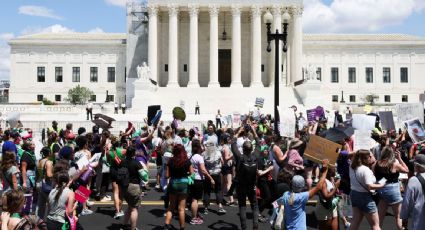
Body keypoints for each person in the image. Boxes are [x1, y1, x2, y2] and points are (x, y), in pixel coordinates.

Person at [277, 159, 329, 230]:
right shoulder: (302, 197)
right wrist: (325, 170)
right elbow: (318, 187)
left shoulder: (286, 195)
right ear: (301, 187)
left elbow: (279, 202)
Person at [374, 147, 409, 230]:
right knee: (398, 216)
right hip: (393, 190)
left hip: (381, 190)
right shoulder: (394, 164)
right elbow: (406, 170)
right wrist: (399, 158)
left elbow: (373, 174)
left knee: (380, 216)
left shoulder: (377, 163)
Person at [349, 150, 384, 230]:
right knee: (375, 225)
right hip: (365, 197)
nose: (371, 158)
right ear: (364, 159)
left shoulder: (352, 166)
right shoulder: (365, 170)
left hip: (354, 194)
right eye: (370, 156)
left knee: (355, 221)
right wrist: (381, 185)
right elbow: (370, 186)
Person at [231, 136, 260, 230]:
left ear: (243, 149)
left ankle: (244, 227)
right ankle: (255, 224)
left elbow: (233, 145)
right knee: (254, 206)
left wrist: (237, 134)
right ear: (251, 149)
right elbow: (259, 144)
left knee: (242, 206)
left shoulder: (240, 157)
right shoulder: (255, 156)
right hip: (252, 186)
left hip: (241, 186)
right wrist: (254, 133)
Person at [164, 144, 194, 230]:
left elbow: (167, 175)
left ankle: (166, 224)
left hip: (173, 183)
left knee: (171, 206)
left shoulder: (170, 161)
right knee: (181, 208)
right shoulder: (187, 161)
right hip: (184, 184)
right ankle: (182, 227)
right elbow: (192, 174)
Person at [189, 139, 213, 225]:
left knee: (193, 199)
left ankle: (195, 215)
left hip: (192, 179)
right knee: (195, 200)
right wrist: (210, 178)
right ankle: (193, 218)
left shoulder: (192, 156)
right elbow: (203, 170)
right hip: (198, 180)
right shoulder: (199, 157)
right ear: (199, 147)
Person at [122, 146, 144, 230]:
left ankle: (124, 224)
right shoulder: (136, 163)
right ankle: (133, 228)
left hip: (124, 186)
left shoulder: (122, 162)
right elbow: (144, 176)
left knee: (130, 206)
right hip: (134, 186)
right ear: (133, 153)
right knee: (134, 209)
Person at [400, 154, 425, 230]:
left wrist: (404, 217)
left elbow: (407, 201)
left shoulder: (413, 180)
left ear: (417, 166)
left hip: (420, 217)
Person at [202, 139, 226, 215]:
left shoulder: (204, 154)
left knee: (207, 191)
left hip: (208, 175)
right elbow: (222, 162)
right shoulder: (218, 153)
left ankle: (206, 208)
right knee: (218, 190)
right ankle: (220, 206)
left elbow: (202, 165)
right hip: (217, 173)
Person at [36, 147, 54, 219]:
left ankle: (38, 221)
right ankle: (50, 221)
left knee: (40, 204)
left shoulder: (39, 161)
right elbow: (49, 175)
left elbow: (37, 174)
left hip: (39, 183)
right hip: (46, 184)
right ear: (49, 153)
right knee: (51, 204)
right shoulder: (49, 162)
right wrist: (56, 174)